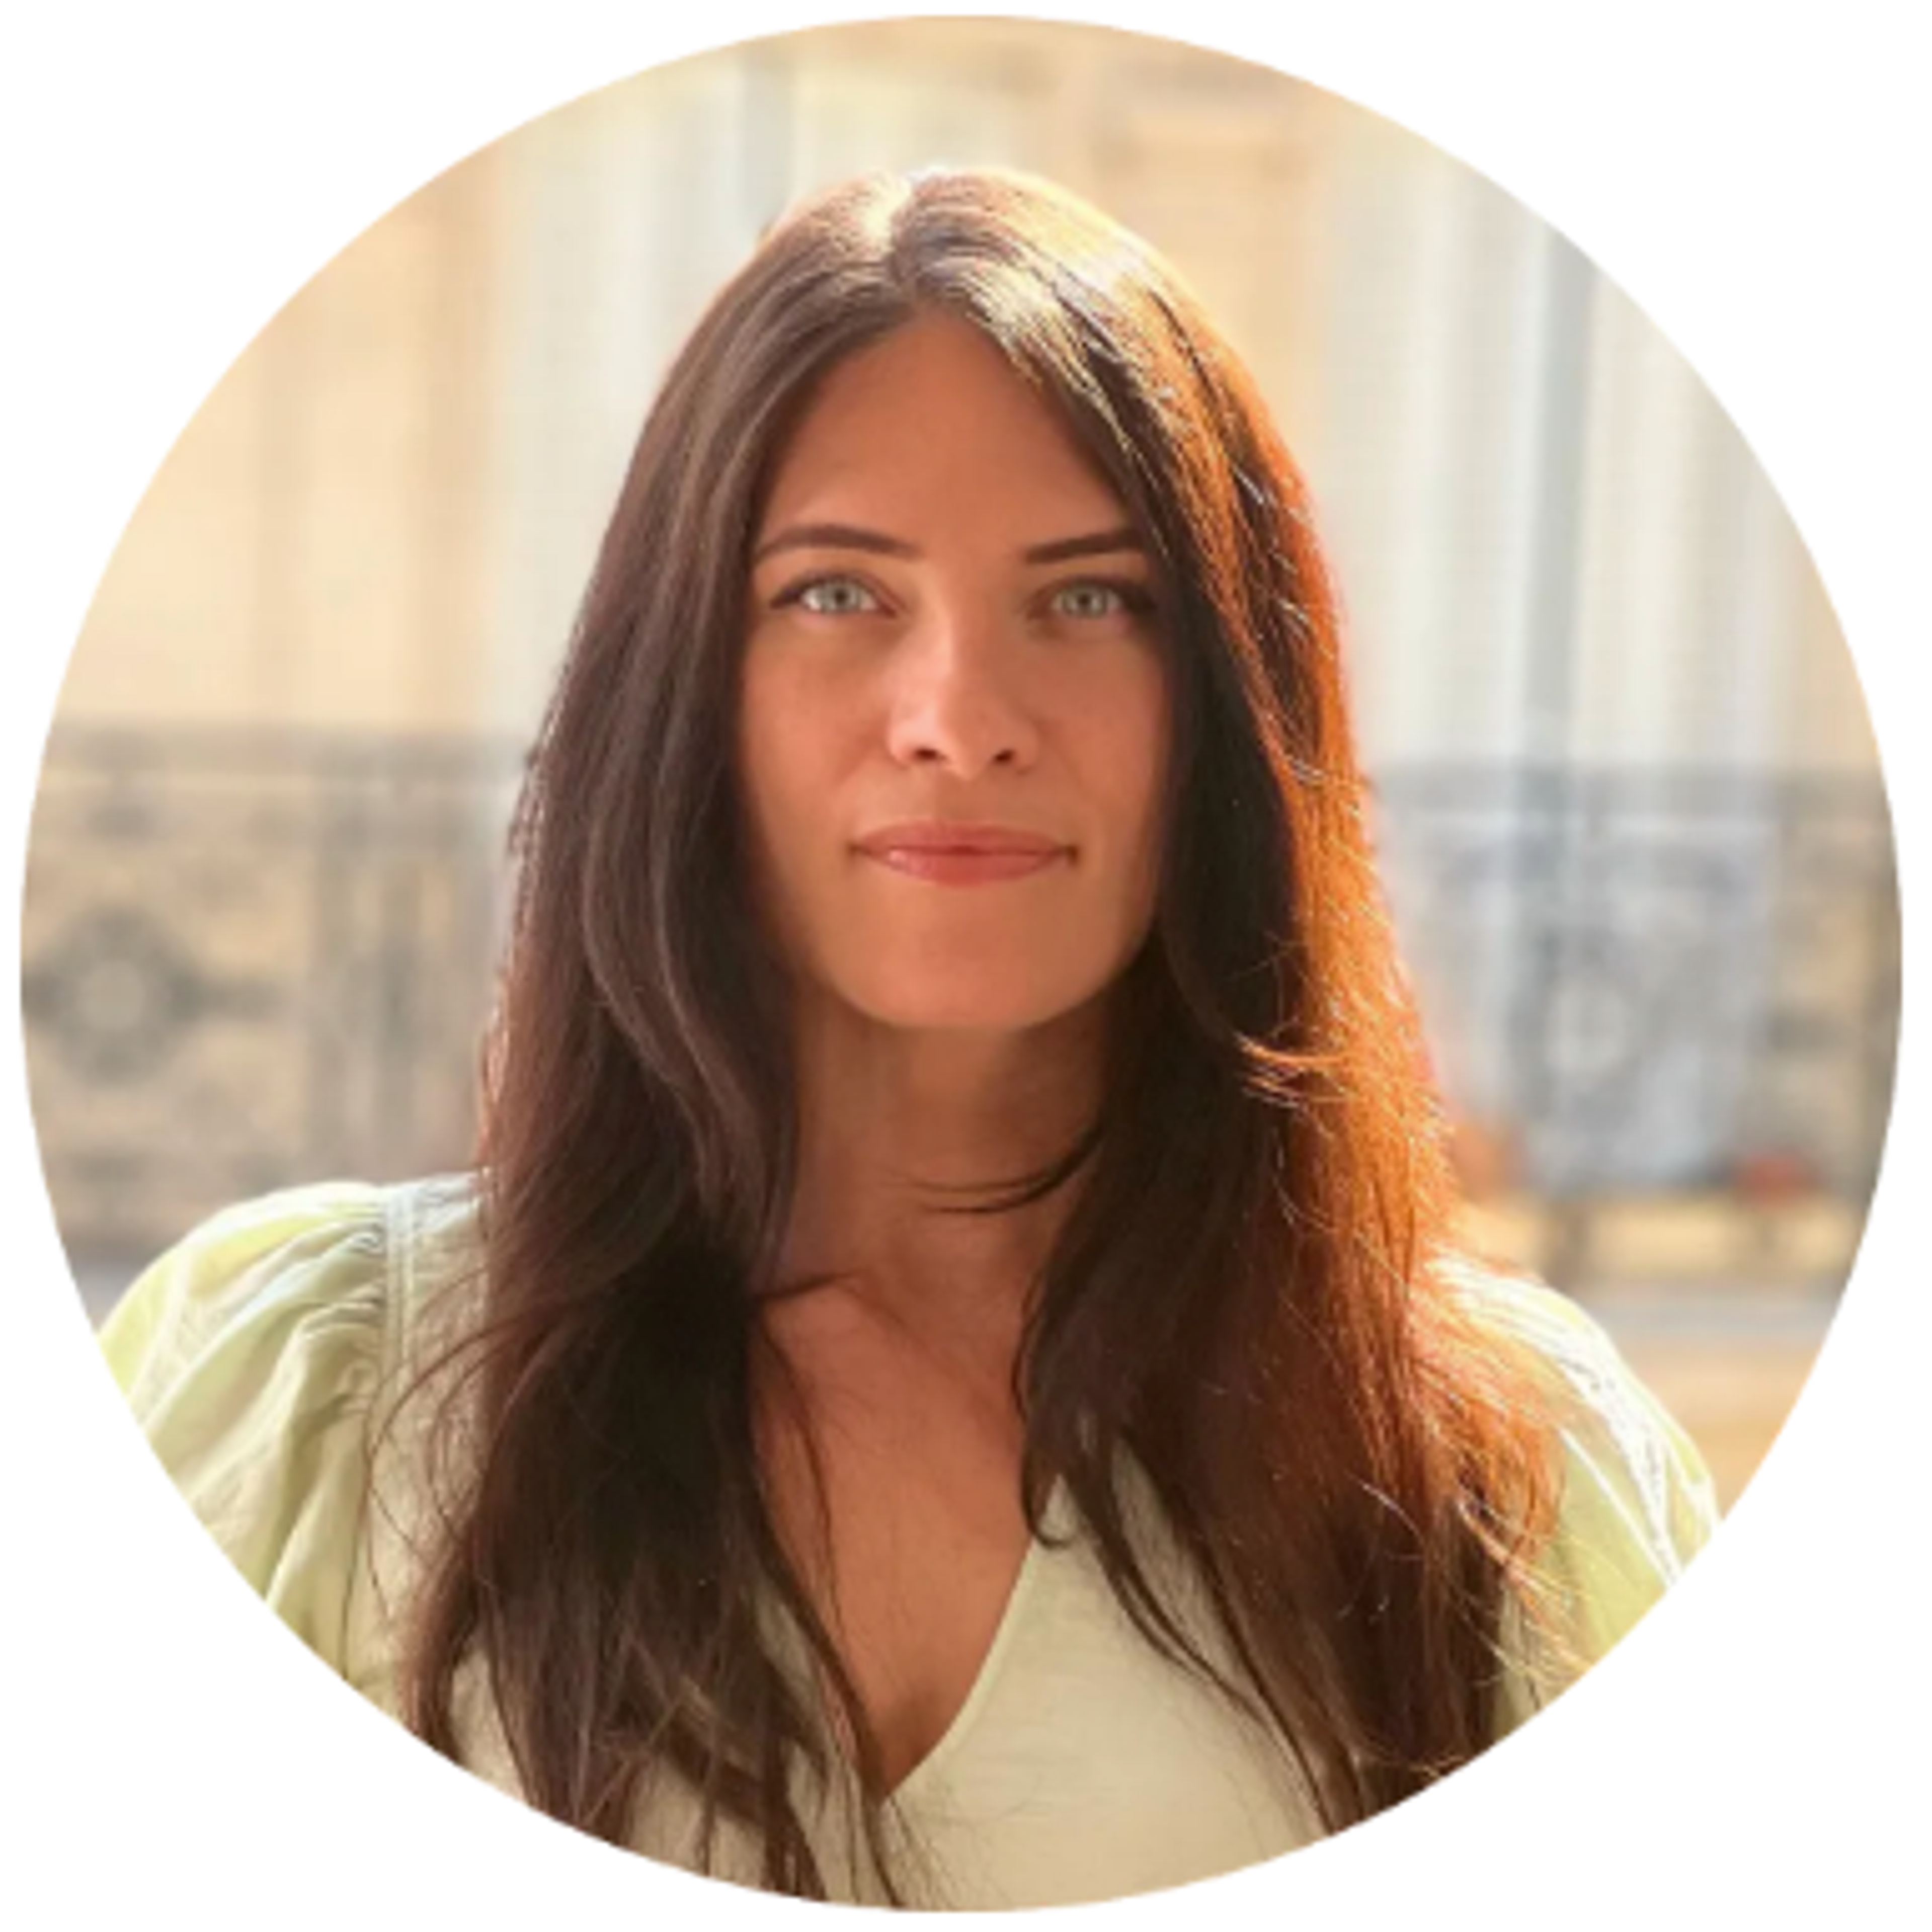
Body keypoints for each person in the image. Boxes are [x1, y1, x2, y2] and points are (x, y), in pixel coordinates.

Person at [99, 166, 1716, 1910]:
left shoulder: (1508, 1478)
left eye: (1091, 599)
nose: (958, 719)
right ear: (683, 689)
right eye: (836, 594)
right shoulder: (314, 1401)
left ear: (1237, 716)